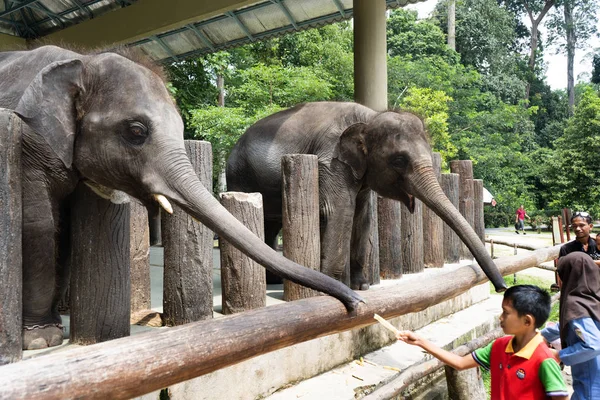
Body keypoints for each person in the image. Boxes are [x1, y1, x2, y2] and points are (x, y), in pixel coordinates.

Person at [396, 285, 569, 399]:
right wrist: (420, 341)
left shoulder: (544, 360)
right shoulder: (499, 346)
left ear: (527, 321)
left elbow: (560, 397)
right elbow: (460, 363)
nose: (500, 317)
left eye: (506, 313)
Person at [541, 252, 600, 399]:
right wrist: (544, 335)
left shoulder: (576, 304)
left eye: (561, 274)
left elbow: (593, 344)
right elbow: (577, 324)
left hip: (590, 385)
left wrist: (559, 355)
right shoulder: (592, 297)